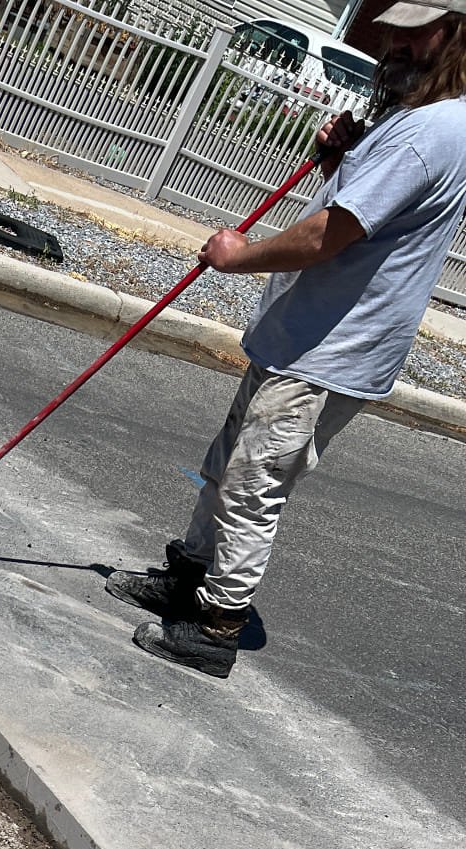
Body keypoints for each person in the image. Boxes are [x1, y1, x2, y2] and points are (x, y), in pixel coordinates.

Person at [108, 0, 466, 678]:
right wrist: (341, 157)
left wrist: (235, 253)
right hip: (306, 335)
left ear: (452, 36)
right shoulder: (420, 122)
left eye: (413, 33)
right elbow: (368, 212)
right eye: (391, 29)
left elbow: (328, 235)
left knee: (252, 483)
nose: (393, 43)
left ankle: (216, 627)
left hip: (331, 349)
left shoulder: (431, 131)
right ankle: (189, 580)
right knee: (228, 464)